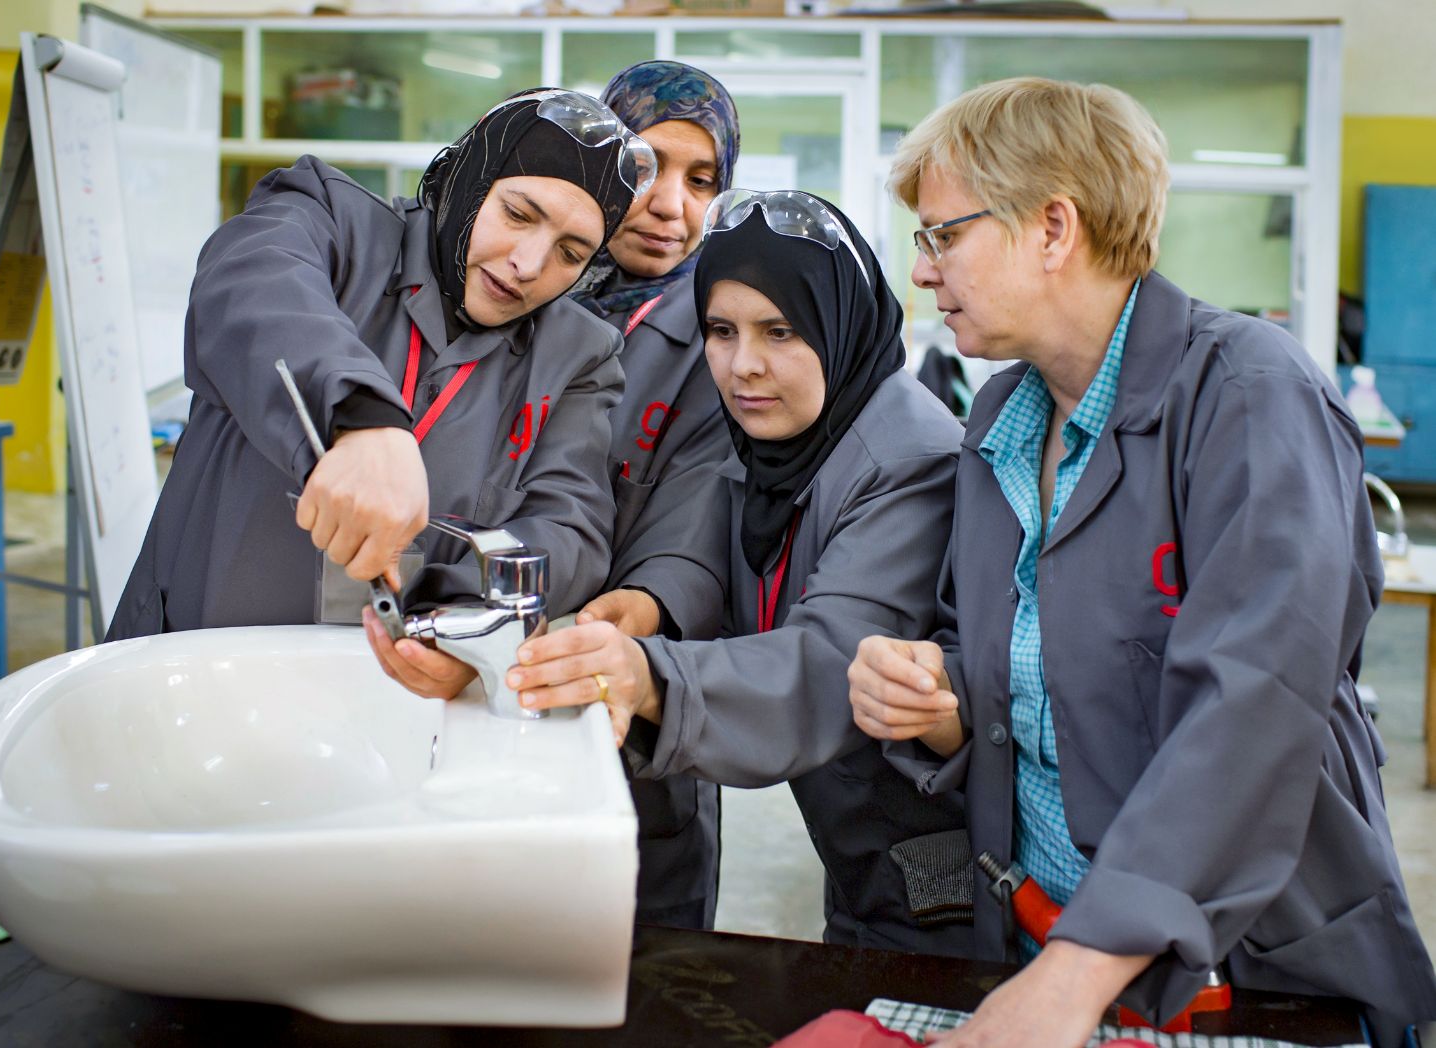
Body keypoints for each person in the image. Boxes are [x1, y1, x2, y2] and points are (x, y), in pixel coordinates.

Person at [845, 77, 1436, 1046]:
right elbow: (1007, 658)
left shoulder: (1247, 394)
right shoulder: (999, 421)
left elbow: (1253, 702)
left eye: (942, 235)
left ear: (1050, 227)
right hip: (1039, 949)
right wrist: (940, 699)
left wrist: (1077, 973)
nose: (923, 272)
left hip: (1245, 972)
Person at [505, 190, 972, 954]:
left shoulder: (911, 463)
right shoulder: (779, 437)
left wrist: (646, 676)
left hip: (938, 865)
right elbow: (710, 548)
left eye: (780, 331)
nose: (743, 366)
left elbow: (829, 664)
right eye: (720, 331)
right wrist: (652, 604)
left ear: (839, 323)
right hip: (856, 849)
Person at [107, 90, 650, 699]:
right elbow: (252, 282)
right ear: (471, 179)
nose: (528, 264)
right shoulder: (330, 219)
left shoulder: (577, 356)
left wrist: (469, 627)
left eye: (570, 253)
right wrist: (359, 418)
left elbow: (567, 526)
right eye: (519, 215)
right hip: (192, 674)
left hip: (392, 698)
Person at [567, 60, 740, 932]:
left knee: (651, 969)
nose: (671, 205)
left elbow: (718, 504)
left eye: (701, 180)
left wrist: (652, 601)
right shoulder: (518, 290)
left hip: (641, 691)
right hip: (483, 675)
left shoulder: (728, 331)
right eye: (644, 166)